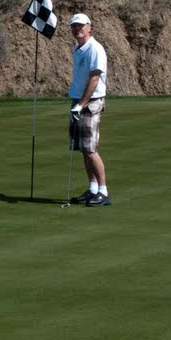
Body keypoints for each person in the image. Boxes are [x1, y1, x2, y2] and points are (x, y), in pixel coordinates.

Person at [66, 13, 111, 206]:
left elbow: (95, 78)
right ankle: (92, 189)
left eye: (81, 26)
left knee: (91, 149)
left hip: (90, 102)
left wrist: (81, 104)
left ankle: (103, 191)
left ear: (89, 27)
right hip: (78, 101)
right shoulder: (78, 49)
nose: (78, 29)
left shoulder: (95, 49)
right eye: (74, 26)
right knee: (83, 149)